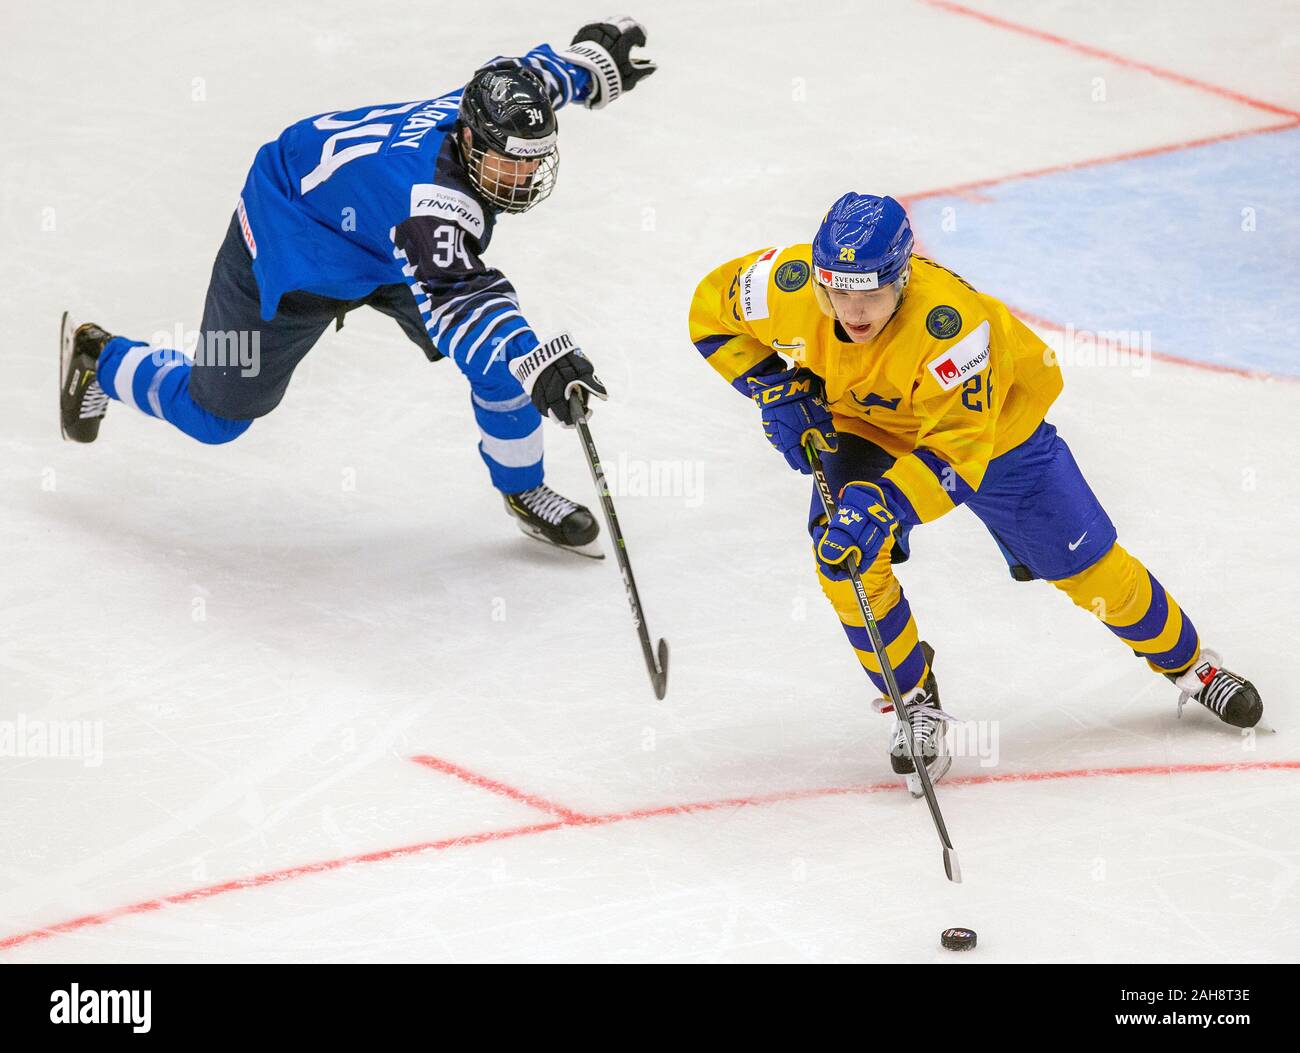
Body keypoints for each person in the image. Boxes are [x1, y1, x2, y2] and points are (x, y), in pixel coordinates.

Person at [688, 192, 1262, 794]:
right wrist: (774, 385)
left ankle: (1192, 665)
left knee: (1087, 568)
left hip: (993, 435)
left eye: (870, 294)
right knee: (845, 558)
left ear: (902, 279)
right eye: (837, 292)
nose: (852, 311)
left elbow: (959, 454)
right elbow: (709, 310)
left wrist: (884, 505)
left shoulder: (952, 328)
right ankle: (913, 702)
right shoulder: (784, 283)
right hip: (864, 423)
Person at [59, 18, 656, 557]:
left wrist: (592, 65)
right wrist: (534, 362)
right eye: (511, 164)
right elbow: (463, 308)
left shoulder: (485, 108)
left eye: (535, 161)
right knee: (215, 415)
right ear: (471, 143)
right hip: (291, 238)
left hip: (382, 236)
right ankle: (100, 358)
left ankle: (523, 489)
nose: (523, 178)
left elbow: (534, 76)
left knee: (504, 366)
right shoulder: (430, 205)